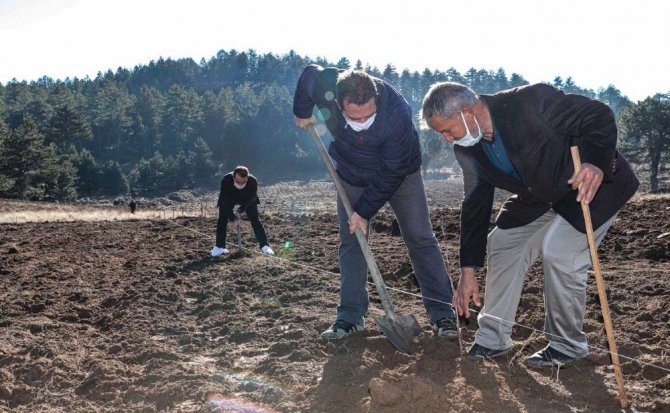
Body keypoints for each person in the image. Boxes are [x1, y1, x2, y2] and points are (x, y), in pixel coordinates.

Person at [420, 82, 639, 367]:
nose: (448, 139)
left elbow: (597, 115)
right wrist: (468, 271)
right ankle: (493, 339)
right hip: (542, 198)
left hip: (590, 186)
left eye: (448, 130)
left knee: (559, 251)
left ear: (467, 112)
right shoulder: (468, 149)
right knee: (501, 242)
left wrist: (595, 162)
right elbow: (475, 204)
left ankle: (567, 345)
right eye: (441, 134)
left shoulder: (530, 102)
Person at [293, 65, 457, 341]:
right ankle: (350, 317)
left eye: (368, 115)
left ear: (376, 100)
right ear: (339, 104)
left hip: (400, 174)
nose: (362, 122)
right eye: (354, 117)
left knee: (420, 237)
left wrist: (363, 212)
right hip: (352, 173)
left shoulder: (397, 113)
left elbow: (392, 171)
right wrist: (301, 110)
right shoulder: (326, 86)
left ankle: (442, 313)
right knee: (352, 240)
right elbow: (309, 74)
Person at [211, 166, 274, 257]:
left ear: (247, 178)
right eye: (238, 182)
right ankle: (219, 247)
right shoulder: (226, 180)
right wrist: (233, 218)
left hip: (247, 199)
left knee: (255, 220)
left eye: (243, 182)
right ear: (233, 177)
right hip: (229, 198)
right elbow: (224, 201)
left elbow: (251, 197)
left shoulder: (252, 181)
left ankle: (264, 246)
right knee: (222, 220)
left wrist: (241, 209)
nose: (240, 184)